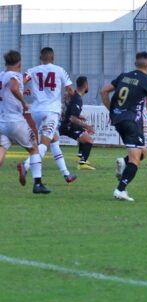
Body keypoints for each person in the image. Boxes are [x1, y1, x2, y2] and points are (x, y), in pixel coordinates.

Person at [100, 51, 147, 202]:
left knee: (143, 151)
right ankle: (120, 190)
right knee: (135, 159)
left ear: (135, 64)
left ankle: (122, 162)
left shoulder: (123, 76)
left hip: (118, 120)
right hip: (131, 121)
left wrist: (112, 111)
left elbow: (104, 91)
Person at [22, 47, 77, 184]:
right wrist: (70, 95)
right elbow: (70, 90)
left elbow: (21, 82)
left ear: (41, 58)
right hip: (51, 111)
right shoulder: (59, 70)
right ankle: (25, 166)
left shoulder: (33, 70)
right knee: (44, 145)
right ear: (53, 58)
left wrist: (26, 90)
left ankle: (66, 174)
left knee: (54, 140)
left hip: (36, 111)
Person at [0, 50, 50, 194]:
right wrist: (23, 102)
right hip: (14, 120)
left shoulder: (2, 75)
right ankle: (38, 183)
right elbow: (14, 87)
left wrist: (21, 93)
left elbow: (9, 90)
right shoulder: (14, 75)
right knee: (34, 148)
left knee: (2, 148)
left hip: (1, 120)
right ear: (19, 64)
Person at [58, 76, 97, 170]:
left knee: (85, 134)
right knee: (89, 140)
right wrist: (87, 126)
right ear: (85, 85)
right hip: (68, 126)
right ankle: (82, 163)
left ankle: (80, 156)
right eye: (88, 84)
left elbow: (69, 111)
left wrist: (79, 117)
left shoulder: (75, 96)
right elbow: (72, 118)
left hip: (66, 123)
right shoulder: (77, 99)